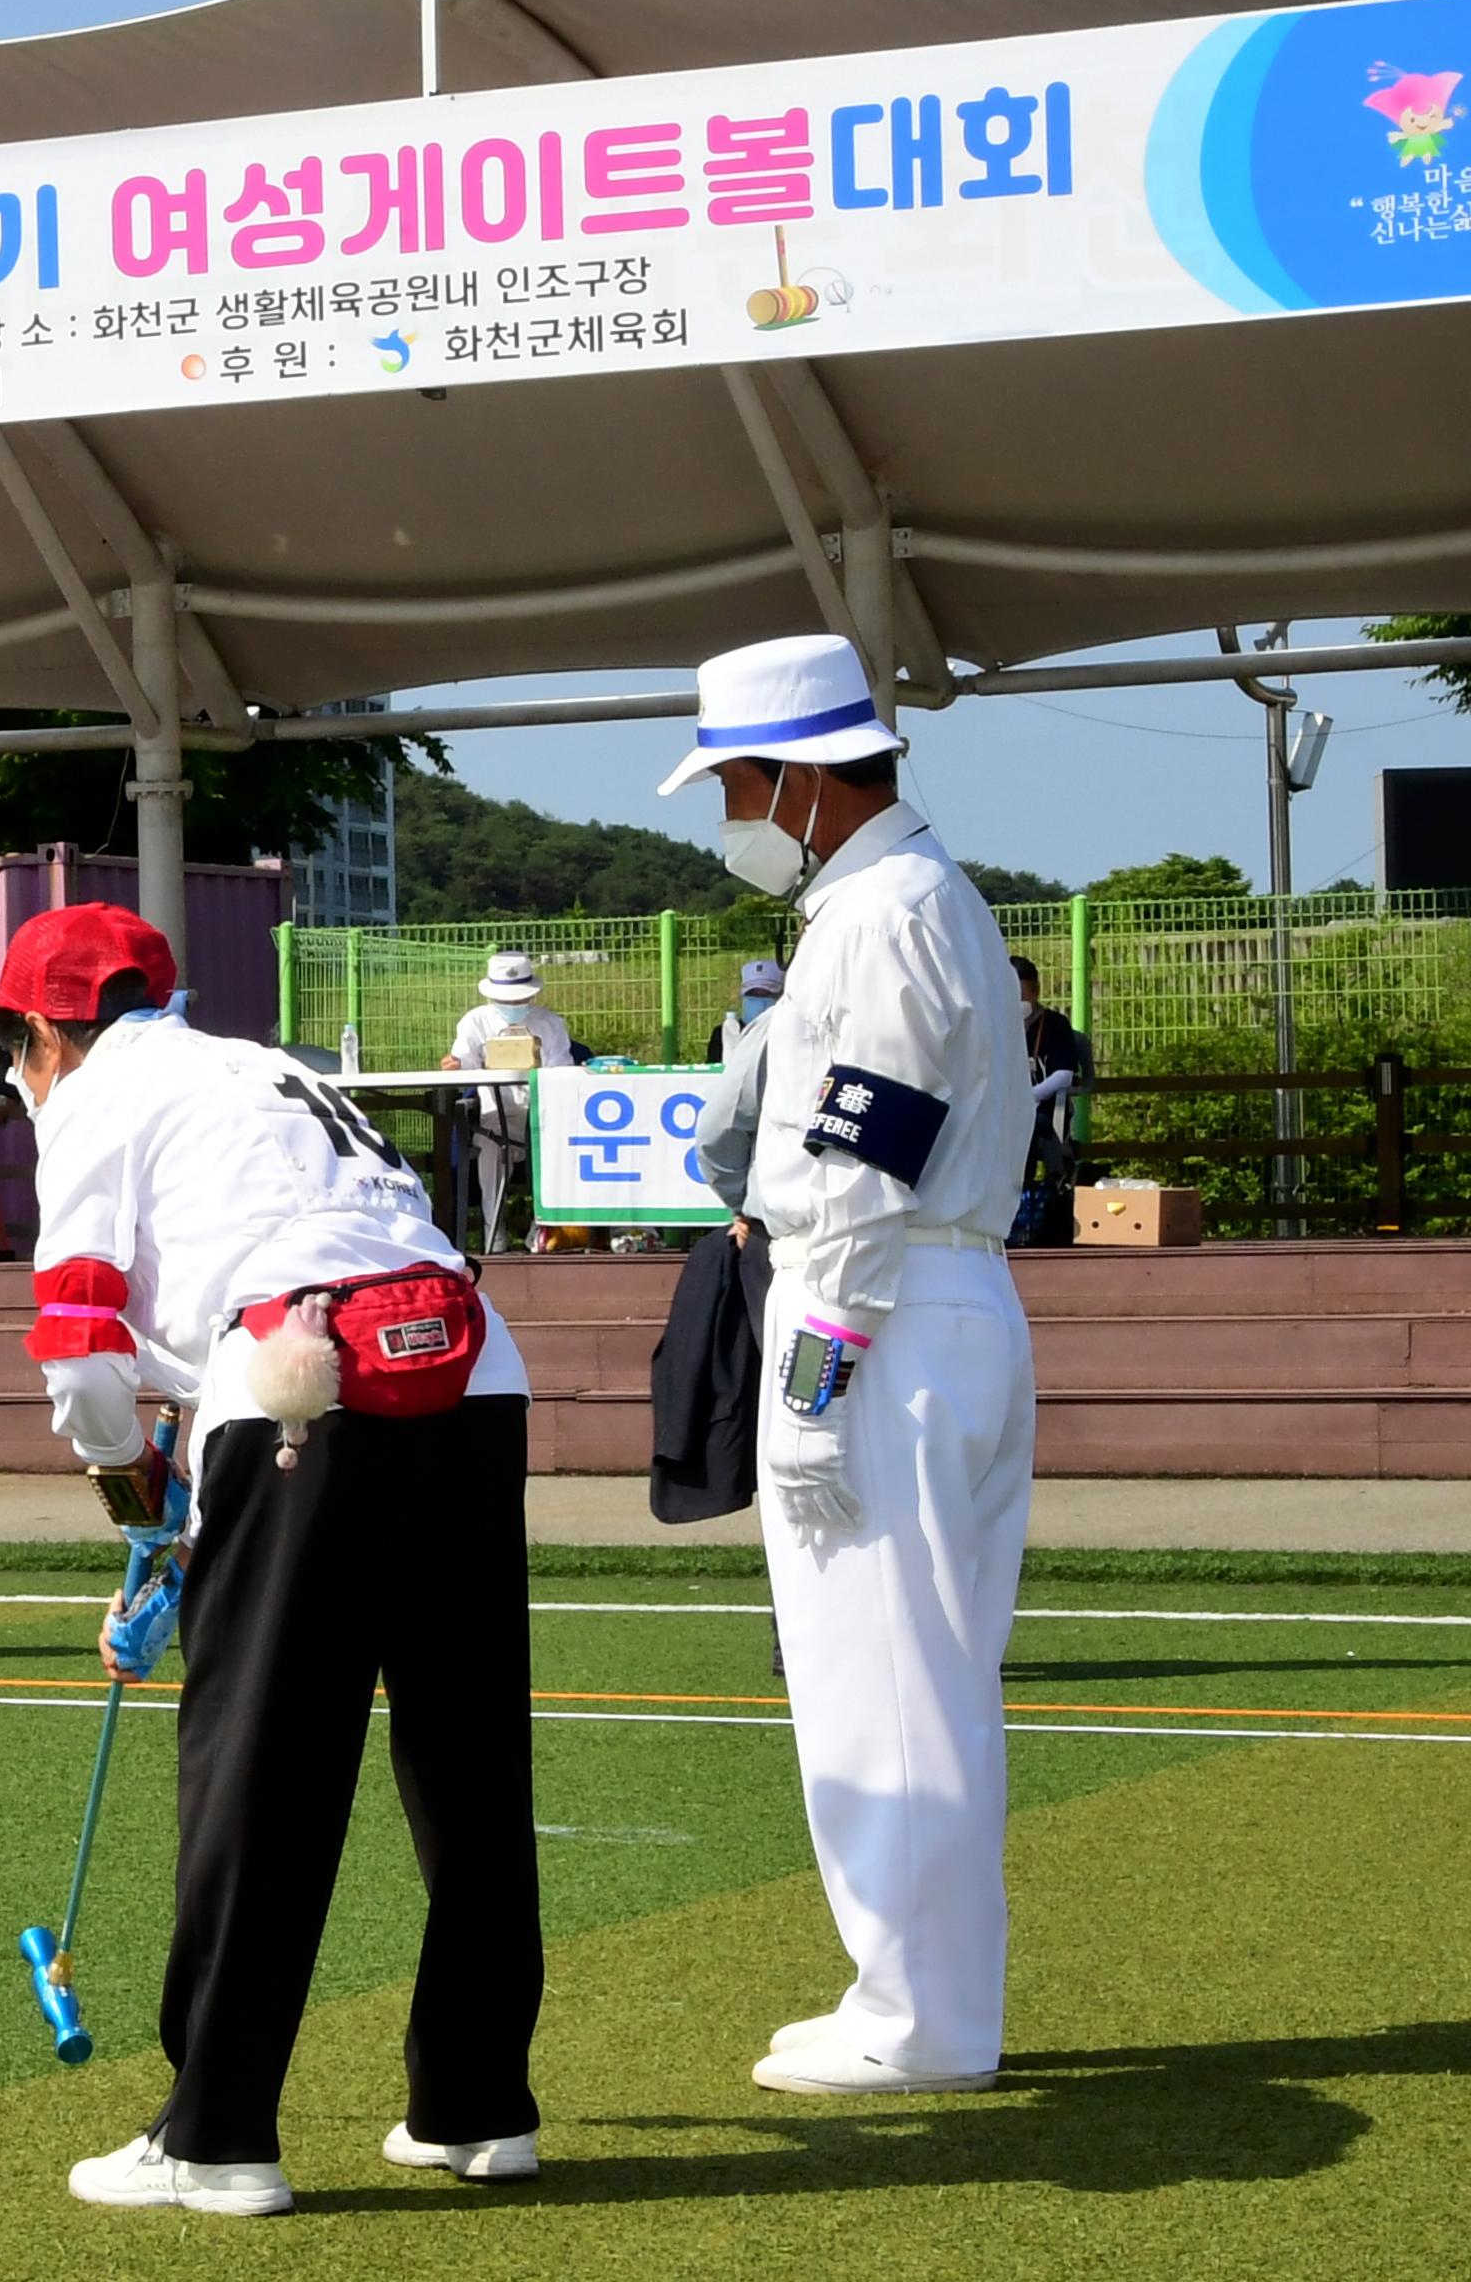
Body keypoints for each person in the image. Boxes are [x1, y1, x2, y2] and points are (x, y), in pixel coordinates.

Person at [0, 906, 541, 2218]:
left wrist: (132, 1494)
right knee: (468, 1762)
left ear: (47, 1033)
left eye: (13, 1049)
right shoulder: (266, 1065)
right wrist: (183, 1515)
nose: (17, 1076)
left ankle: (217, 2133)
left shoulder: (97, 1099)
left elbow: (81, 1350)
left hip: (301, 1388)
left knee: (260, 1769)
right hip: (474, 1374)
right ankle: (478, 2106)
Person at [659, 631, 1033, 2096]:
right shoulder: (914, 899)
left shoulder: (878, 916)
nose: (729, 818)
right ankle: (919, 1994)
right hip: (936, 1307)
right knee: (921, 1672)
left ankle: (919, 2018)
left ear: (799, 779)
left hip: (879, 1317)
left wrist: (813, 1389)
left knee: (880, 1680)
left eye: (734, 786)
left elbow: (867, 1171)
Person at [443, 952, 570, 1254]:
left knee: (557, 1148)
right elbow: (464, 1065)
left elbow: (562, 1071)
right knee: (490, 1149)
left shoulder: (550, 1023)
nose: (513, 1005)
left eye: (519, 999)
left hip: (544, 1115)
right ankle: (493, 1228)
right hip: (495, 1116)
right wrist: (455, 1066)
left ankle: (544, 1227)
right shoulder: (475, 1021)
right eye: (506, 1000)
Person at [1009, 957, 1091, 1247]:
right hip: (1002, 1110)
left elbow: (1064, 1074)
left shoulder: (1054, 1025)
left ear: (1035, 991)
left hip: (1041, 1109)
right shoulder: (995, 1025)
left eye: (1020, 993)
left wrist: (1030, 1097)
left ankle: (1031, 1209)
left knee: (1033, 1128)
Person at [714, 958, 783, 1062]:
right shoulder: (723, 1035)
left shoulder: (787, 1034)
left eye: (767, 994)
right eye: (752, 994)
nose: (759, 1000)